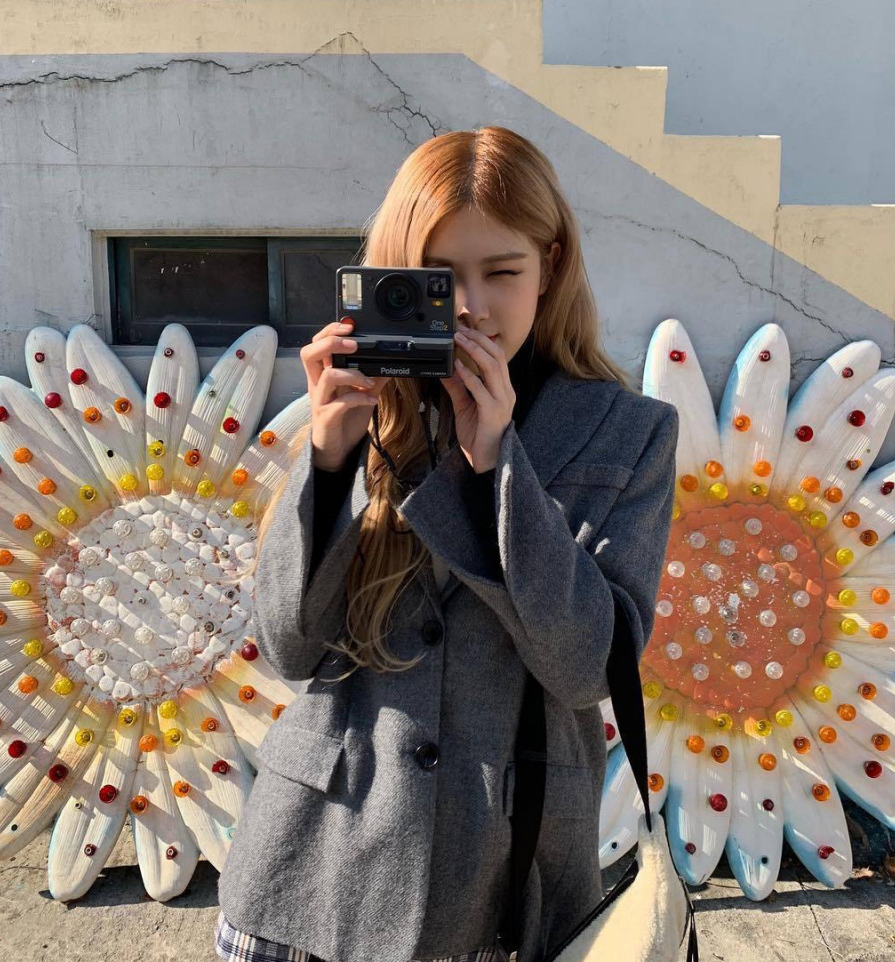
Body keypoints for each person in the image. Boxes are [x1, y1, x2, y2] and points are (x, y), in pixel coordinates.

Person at [215, 126, 679, 962]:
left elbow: (587, 670)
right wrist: (329, 461)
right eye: (438, 278)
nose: (471, 306)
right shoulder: (368, 409)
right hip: (311, 879)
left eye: (502, 272)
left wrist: (499, 465)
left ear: (551, 264)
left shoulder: (629, 434)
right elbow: (288, 647)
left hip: (501, 887)